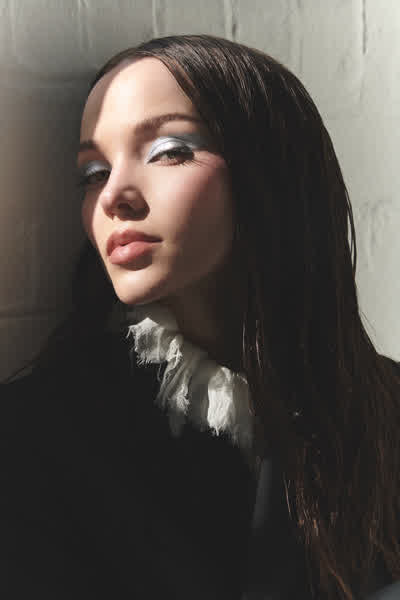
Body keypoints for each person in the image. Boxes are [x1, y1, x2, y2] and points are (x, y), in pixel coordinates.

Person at [1, 33, 399, 600]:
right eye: (93, 172)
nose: (113, 195)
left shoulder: (383, 409)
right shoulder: (33, 437)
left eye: (169, 151)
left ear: (271, 170)